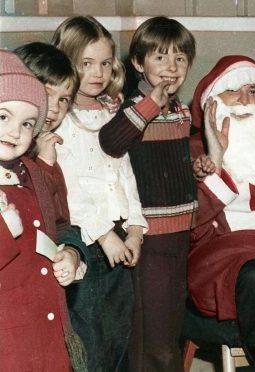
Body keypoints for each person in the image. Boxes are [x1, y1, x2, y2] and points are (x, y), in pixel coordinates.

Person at [97, 16, 196, 372]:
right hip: (149, 234)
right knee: (153, 332)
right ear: (138, 63)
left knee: (169, 324)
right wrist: (149, 104)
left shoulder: (180, 110)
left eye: (180, 58)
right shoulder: (135, 108)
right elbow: (110, 142)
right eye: (160, 57)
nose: (171, 67)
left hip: (180, 232)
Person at [188, 55, 255, 371]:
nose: (246, 100)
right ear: (213, 103)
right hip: (221, 258)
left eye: (254, 90)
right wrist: (216, 160)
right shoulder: (192, 150)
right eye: (233, 91)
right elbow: (189, 228)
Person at [51, 16, 148, 372]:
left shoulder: (111, 112)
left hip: (119, 236)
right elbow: (67, 186)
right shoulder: (62, 119)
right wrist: (104, 235)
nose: (98, 73)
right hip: (87, 239)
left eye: (106, 63)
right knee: (90, 338)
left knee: (120, 334)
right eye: (86, 63)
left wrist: (136, 228)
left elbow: (126, 175)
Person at [0, 49, 85, 372]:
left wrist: (73, 254)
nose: (15, 132)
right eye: (3, 117)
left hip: (46, 333)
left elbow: (61, 225)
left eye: (27, 123)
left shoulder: (32, 172)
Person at [13, 41, 88, 281]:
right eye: (46, 95)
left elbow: (60, 223)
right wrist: (44, 164)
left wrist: (73, 252)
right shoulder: (10, 153)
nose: (54, 109)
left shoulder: (50, 152)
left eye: (64, 99)